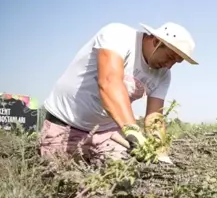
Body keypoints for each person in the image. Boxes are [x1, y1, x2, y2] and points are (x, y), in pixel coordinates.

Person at [40, 21, 198, 164]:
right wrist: (132, 131)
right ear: (156, 41)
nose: (169, 66)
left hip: (109, 133)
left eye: (176, 62)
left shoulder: (163, 75)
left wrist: (160, 150)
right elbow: (109, 83)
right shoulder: (118, 35)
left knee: (118, 187)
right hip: (66, 127)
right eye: (170, 57)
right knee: (63, 187)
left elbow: (154, 117)